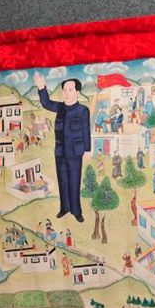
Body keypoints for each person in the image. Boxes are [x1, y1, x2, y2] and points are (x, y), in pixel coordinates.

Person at [35, 73, 89, 223]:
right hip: (60, 152)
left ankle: (76, 211)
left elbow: (86, 131)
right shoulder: (60, 108)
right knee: (63, 181)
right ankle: (64, 208)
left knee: (74, 182)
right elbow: (46, 103)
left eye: (70, 90)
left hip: (75, 153)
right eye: (64, 90)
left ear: (77, 93)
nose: (66, 93)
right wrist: (41, 87)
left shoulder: (83, 110)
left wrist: (87, 150)